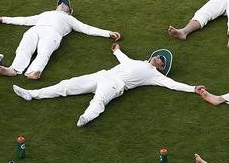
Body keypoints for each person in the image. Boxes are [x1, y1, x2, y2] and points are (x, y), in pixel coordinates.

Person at [12, 43, 202, 127]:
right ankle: (32, 93)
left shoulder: (154, 76)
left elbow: (174, 84)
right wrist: (117, 51)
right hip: (103, 75)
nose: (160, 57)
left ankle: (86, 118)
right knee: (66, 85)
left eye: (162, 60)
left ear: (161, 68)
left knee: (99, 100)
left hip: (116, 84)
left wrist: (193, 88)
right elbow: (124, 60)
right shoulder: (139, 62)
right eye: (160, 56)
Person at [0, 0, 120, 80]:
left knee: (44, 52)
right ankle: (13, 70)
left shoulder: (70, 19)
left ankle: (33, 72)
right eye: (60, 3)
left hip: (53, 34)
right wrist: (3, 19)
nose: (62, 4)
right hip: (36, 29)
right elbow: (25, 20)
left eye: (65, 4)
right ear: (56, 7)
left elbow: (87, 29)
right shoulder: (46, 13)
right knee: (24, 48)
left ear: (69, 10)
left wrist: (108, 33)